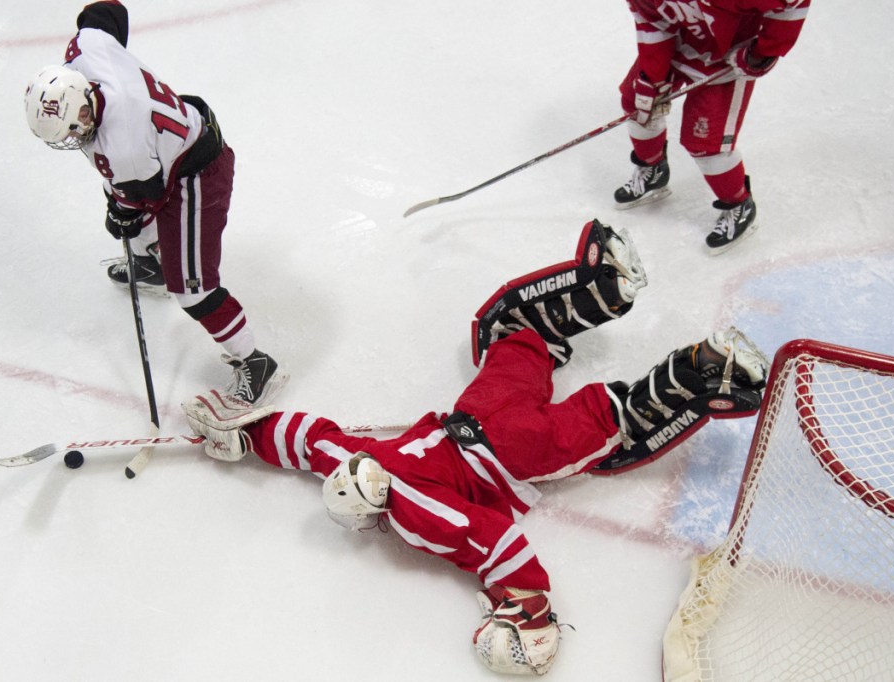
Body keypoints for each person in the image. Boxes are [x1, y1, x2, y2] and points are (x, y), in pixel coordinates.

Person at [180, 220, 771, 675]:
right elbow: (310, 441)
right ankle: (603, 284)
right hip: (481, 410)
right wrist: (245, 432)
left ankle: (711, 368)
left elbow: (493, 542)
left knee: (614, 423)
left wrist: (526, 607)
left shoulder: (412, 514)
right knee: (512, 334)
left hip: (520, 452)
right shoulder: (357, 459)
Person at [22, 1, 279, 403]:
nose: (75, 135)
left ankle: (255, 361)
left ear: (84, 102)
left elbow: (148, 197)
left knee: (192, 288)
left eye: (76, 125)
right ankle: (148, 265)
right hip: (169, 149)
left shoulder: (122, 145)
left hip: (198, 175)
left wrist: (120, 212)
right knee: (127, 214)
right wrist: (121, 209)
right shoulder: (86, 50)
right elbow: (106, 13)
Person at [614, 0, 810, 254]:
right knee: (637, 103)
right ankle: (653, 169)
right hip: (679, 44)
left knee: (706, 145)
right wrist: (653, 77)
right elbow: (653, 19)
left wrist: (764, 51)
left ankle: (739, 204)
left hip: (726, 62)